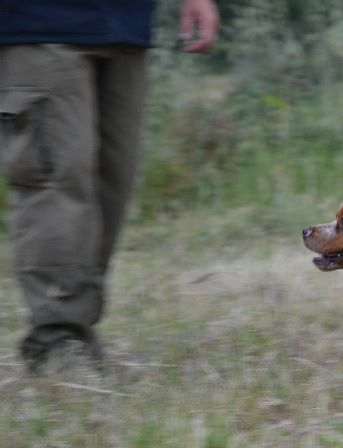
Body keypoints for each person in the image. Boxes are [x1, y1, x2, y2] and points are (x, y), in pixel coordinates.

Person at [0, 0, 219, 372]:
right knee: (56, 182)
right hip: (36, 24)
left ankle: (78, 334)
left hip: (125, 24)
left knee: (111, 184)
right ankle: (56, 342)